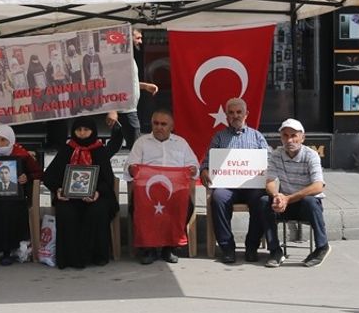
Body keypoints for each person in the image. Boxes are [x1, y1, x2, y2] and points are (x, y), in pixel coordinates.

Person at [43, 116, 122, 270]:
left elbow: (108, 180)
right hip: (69, 197)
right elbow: (49, 176)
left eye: (86, 130)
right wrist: (58, 190)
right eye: (79, 130)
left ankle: (96, 256)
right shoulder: (68, 149)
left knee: (97, 211)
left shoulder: (99, 151)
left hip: (96, 197)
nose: (82, 133)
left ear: (93, 131)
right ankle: (70, 258)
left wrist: (97, 192)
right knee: (65, 212)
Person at [202, 97, 270, 264]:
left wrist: (265, 171)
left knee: (262, 200)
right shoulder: (219, 137)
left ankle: (252, 246)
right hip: (227, 186)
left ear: (246, 114)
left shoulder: (257, 137)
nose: (235, 116)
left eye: (239, 112)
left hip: (252, 186)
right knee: (218, 198)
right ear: (226, 116)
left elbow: (269, 161)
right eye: (231, 113)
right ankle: (227, 248)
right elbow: (206, 162)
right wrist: (204, 170)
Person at [126, 109, 198, 265]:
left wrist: (192, 169)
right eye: (156, 123)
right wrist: (133, 169)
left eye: (163, 124)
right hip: (147, 191)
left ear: (171, 126)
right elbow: (129, 168)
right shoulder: (141, 142)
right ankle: (148, 248)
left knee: (185, 206)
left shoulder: (181, 143)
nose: (159, 127)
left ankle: (169, 247)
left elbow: (194, 167)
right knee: (139, 206)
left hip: (175, 191)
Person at [263, 119, 331, 268]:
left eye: (294, 135)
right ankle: (275, 251)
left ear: (302, 137)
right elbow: (269, 181)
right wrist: (277, 196)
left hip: (305, 206)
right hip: (286, 203)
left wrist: (288, 198)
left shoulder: (311, 155)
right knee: (264, 201)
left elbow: (318, 186)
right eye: (285, 136)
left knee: (310, 201)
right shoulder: (276, 154)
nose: (290, 140)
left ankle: (322, 246)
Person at [0, 124, 43, 266]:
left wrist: (26, 178)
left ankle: (8, 251)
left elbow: (38, 172)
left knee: (9, 211)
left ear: (10, 140)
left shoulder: (22, 155)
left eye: (3, 140)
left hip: (15, 198)